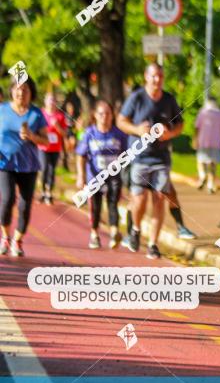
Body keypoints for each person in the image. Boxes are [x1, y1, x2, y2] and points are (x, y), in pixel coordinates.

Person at [117, 64, 184, 259]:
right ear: (146, 77)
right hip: (139, 156)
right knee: (139, 199)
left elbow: (180, 124)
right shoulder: (137, 98)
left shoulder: (169, 99)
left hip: (161, 157)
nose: (157, 80)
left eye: (160, 76)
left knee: (159, 199)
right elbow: (121, 121)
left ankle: (153, 244)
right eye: (154, 76)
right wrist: (138, 130)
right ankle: (136, 229)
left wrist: (170, 133)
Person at [0, 77, 50, 256]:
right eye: (18, 89)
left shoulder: (36, 114)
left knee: (25, 205)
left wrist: (32, 136)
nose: (21, 93)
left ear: (31, 93)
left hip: (29, 166)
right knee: (7, 200)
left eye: (25, 90)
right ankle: (5, 236)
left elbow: (47, 140)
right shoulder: (2, 110)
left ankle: (18, 240)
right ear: (12, 91)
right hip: (4, 164)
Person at [76, 101, 127, 249]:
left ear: (112, 115)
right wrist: (81, 176)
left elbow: (125, 155)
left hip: (113, 177)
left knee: (113, 204)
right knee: (95, 207)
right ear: (95, 115)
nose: (104, 117)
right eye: (101, 113)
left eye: (107, 113)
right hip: (94, 176)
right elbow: (81, 156)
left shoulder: (119, 135)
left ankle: (114, 233)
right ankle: (94, 234)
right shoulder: (89, 133)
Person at [38, 93, 67, 204]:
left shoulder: (60, 116)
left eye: (53, 100)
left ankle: (49, 193)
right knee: (44, 168)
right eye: (49, 100)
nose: (51, 102)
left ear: (55, 103)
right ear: (45, 101)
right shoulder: (41, 114)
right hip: (43, 147)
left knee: (51, 170)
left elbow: (64, 134)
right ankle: (42, 191)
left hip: (55, 148)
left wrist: (57, 126)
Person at [194, 98, 220, 193]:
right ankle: (210, 185)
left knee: (201, 161)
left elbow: (197, 127)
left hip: (203, 140)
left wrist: (195, 139)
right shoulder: (219, 113)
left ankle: (203, 175)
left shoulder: (202, 112)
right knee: (213, 163)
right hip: (216, 141)